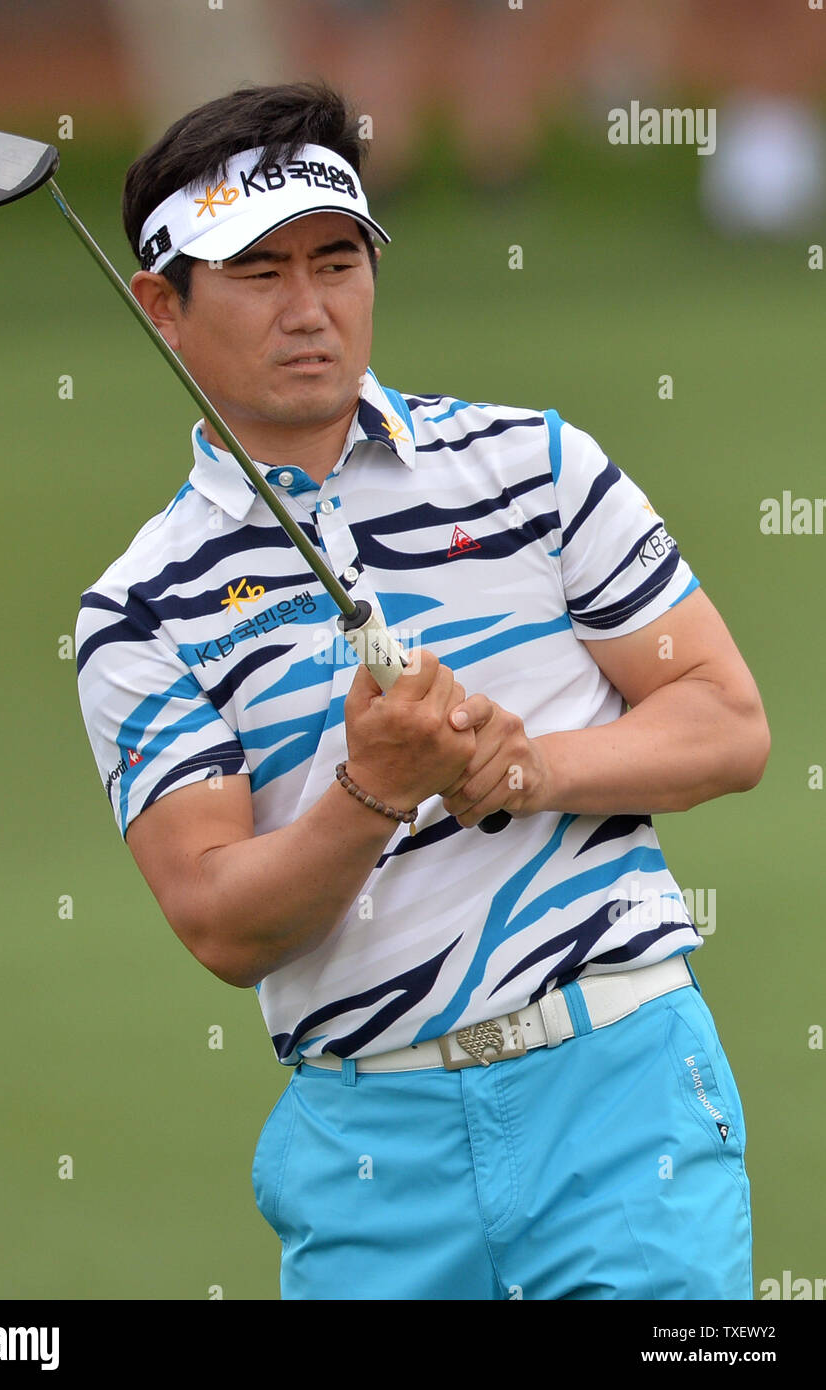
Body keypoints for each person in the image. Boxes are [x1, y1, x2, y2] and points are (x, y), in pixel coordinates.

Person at [75, 80, 770, 1301]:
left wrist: (528, 769)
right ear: (161, 308)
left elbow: (725, 721)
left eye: (336, 262)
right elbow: (223, 920)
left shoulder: (535, 466)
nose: (311, 309)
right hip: (368, 1153)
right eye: (258, 274)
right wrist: (370, 792)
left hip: (623, 1089)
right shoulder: (138, 607)